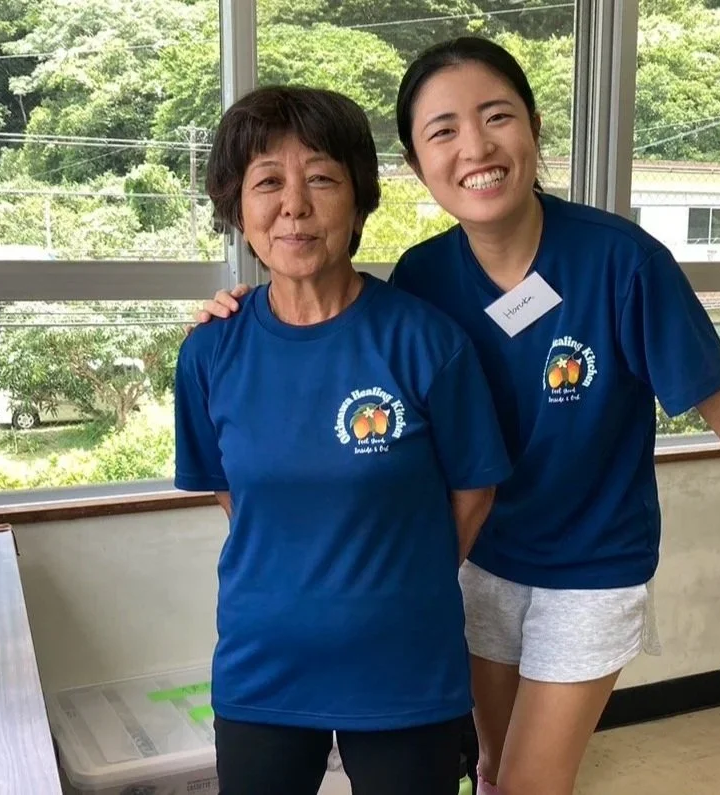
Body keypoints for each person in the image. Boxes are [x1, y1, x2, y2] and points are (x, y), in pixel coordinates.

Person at [192, 39, 720, 795]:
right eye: (442, 132)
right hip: (482, 563)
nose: (475, 148)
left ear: (534, 128)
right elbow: (336, 358)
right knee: (490, 770)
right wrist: (235, 316)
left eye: (496, 118)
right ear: (416, 166)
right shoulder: (423, 277)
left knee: (527, 784)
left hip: (589, 569)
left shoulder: (621, 262)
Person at [174, 84, 512, 795]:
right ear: (238, 209)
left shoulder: (425, 341)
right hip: (263, 666)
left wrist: (401, 576)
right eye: (267, 182)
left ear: (358, 201)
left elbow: (475, 489)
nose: (294, 205)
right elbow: (235, 494)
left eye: (322, 178)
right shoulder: (210, 351)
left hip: (404, 667)